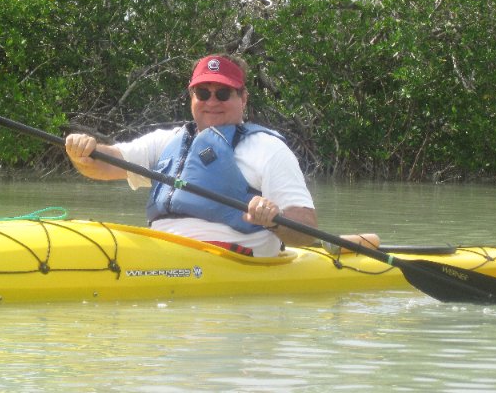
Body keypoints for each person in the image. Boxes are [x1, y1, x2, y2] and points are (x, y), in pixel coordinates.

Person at [65, 54, 317, 256]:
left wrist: (274, 220)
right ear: (191, 97)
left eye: (223, 93)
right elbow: (105, 164)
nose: (212, 102)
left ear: (243, 98)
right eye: (203, 93)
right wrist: (83, 153)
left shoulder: (268, 148)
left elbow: (307, 230)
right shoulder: (167, 141)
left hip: (230, 260)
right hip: (160, 250)